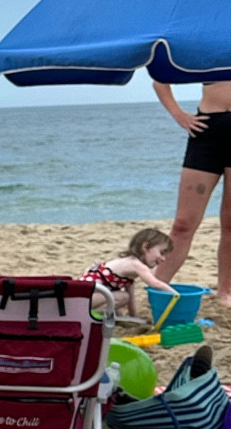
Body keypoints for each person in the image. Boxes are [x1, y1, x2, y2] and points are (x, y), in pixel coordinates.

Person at [151, 75, 231, 307]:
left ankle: (225, 291)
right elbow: (160, 79)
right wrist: (179, 115)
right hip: (207, 131)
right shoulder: (207, 46)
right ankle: (157, 285)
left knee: (230, 223)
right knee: (183, 223)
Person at [82, 227, 175, 319]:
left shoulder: (129, 269)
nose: (163, 259)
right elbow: (155, 284)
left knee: (118, 309)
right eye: (161, 253)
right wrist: (176, 295)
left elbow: (131, 297)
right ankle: (88, 315)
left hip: (83, 296)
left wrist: (133, 317)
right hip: (82, 298)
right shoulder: (136, 264)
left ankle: (91, 313)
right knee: (122, 298)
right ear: (145, 247)